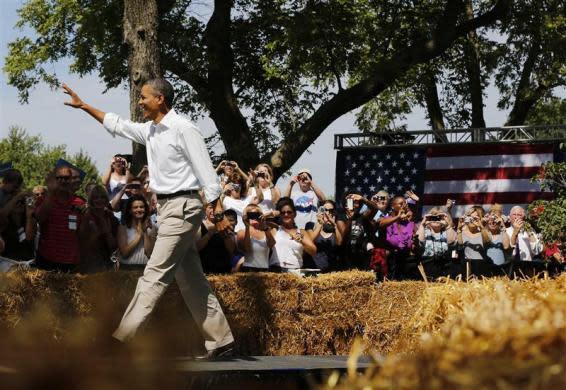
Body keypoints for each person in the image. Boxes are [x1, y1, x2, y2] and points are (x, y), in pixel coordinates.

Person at [63, 79, 234, 358]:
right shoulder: (151, 131)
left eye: (143, 98)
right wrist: (83, 106)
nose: (139, 102)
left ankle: (120, 340)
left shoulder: (183, 129)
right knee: (190, 277)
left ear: (160, 99)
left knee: (153, 275)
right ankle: (221, 339)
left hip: (183, 206)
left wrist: (215, 205)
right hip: (168, 209)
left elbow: (205, 168)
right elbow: (117, 124)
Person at [34, 166, 86, 272]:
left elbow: (83, 235)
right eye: (59, 178)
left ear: (71, 180)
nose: (63, 181)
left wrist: (85, 217)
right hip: (47, 259)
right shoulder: (44, 199)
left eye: (66, 178)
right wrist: (51, 192)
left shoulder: (80, 203)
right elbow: (39, 218)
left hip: (71, 262)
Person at [269, 197, 316, 273]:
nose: (286, 214)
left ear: (294, 214)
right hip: (275, 270)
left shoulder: (301, 232)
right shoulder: (275, 230)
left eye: (289, 212)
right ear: (280, 215)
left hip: (295, 271)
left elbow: (313, 251)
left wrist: (302, 241)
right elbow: (260, 221)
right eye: (283, 213)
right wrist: (270, 214)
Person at [78, 185, 118, 273]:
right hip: (89, 264)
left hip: (108, 263)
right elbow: (81, 244)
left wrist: (107, 232)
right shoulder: (85, 216)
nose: (99, 200)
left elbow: (114, 247)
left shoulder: (111, 218)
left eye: (102, 197)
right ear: (91, 199)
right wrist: (97, 233)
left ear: (106, 199)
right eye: (96, 198)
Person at [117, 194, 157, 270]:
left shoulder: (152, 228)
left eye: (142, 207)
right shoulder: (122, 228)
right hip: (127, 269)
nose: (139, 210)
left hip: (146, 268)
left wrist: (144, 232)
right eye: (135, 207)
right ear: (130, 210)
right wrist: (139, 235)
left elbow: (149, 253)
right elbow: (124, 253)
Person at [416, 207, 456, 279]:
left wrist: (448, 225)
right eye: (433, 217)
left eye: (439, 218)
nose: (436, 220)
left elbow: (452, 242)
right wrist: (422, 224)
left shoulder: (447, 230)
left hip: (444, 265)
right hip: (427, 265)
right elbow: (419, 241)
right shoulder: (424, 230)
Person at [197, 203, 236, 274]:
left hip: (223, 270)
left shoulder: (225, 226)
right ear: (205, 209)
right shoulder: (199, 225)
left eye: (215, 208)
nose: (213, 210)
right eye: (210, 207)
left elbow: (231, 250)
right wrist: (210, 233)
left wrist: (225, 234)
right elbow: (196, 248)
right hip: (204, 269)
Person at [237, 204, 276, 271]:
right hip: (248, 270)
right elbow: (247, 250)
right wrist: (247, 227)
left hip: (264, 270)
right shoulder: (242, 232)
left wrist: (264, 226)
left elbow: (271, 244)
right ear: (246, 216)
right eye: (251, 216)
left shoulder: (267, 231)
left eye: (256, 215)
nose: (254, 219)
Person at [307, 200, 342, 272]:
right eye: (325, 210)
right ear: (320, 211)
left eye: (331, 210)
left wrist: (334, 225)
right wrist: (320, 224)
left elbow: (339, 242)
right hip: (314, 271)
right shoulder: (311, 225)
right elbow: (309, 242)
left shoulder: (336, 229)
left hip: (331, 273)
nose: (328, 213)